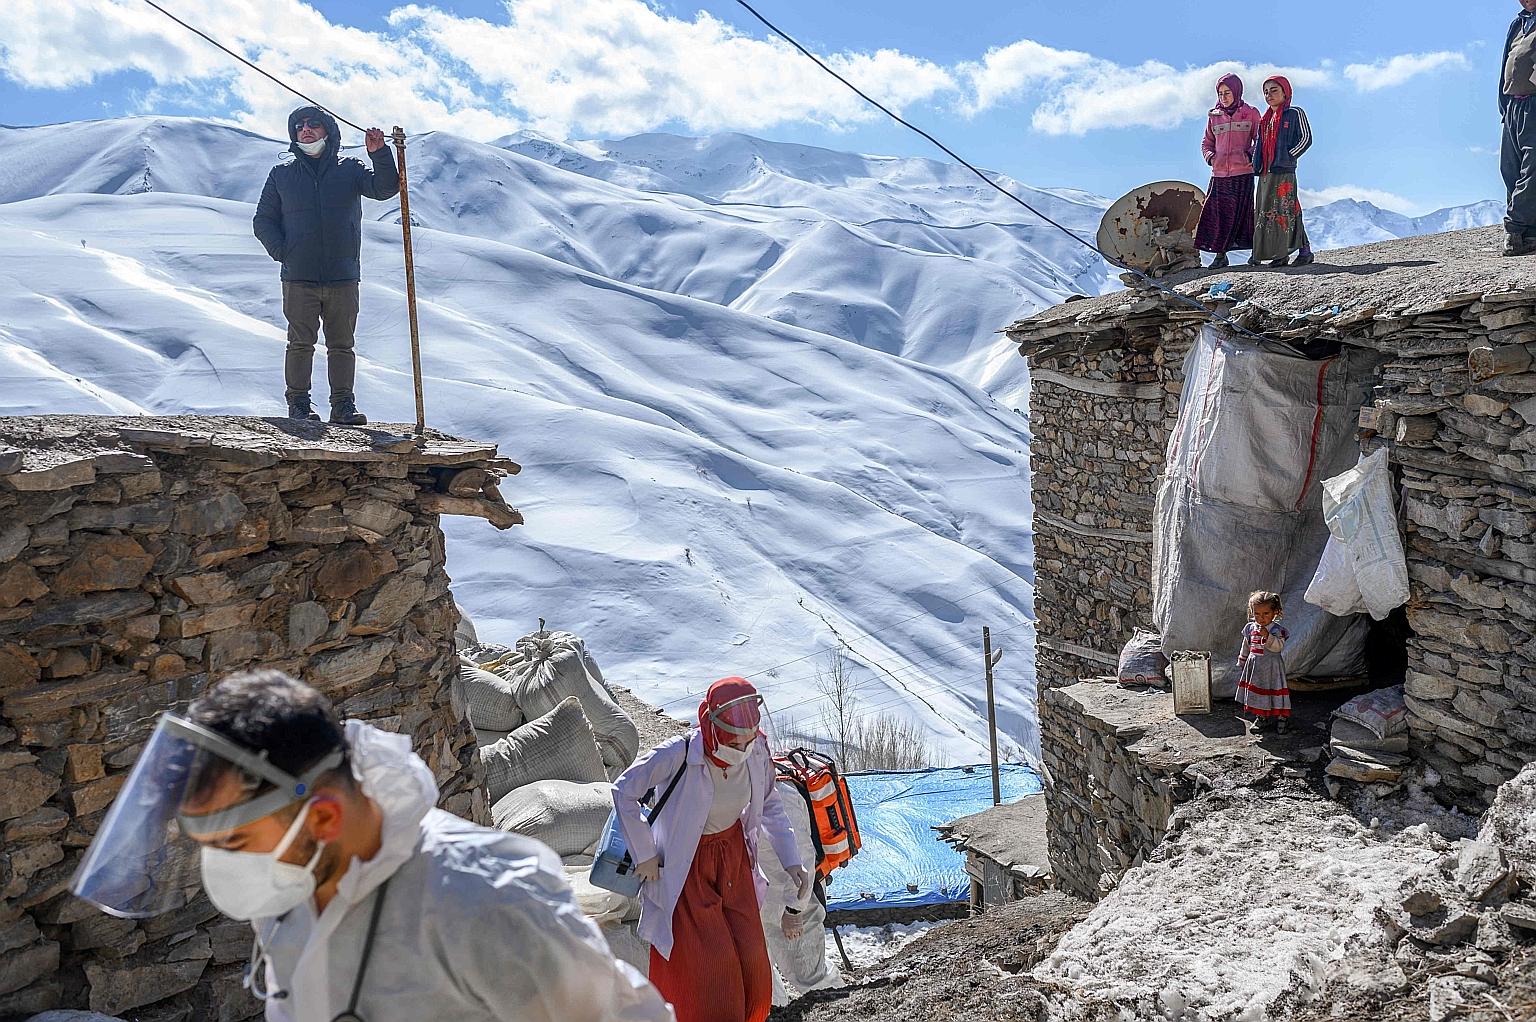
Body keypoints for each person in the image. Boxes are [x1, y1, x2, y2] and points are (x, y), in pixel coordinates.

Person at [71, 669, 673, 1022]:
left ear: (325, 815)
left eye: (230, 840)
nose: (220, 867)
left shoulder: (485, 903)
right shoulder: (292, 883)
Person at [612, 678, 810, 1022]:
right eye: (736, 741)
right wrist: (644, 854)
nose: (743, 747)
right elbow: (624, 790)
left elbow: (769, 803)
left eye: (749, 738)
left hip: (732, 861)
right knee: (712, 971)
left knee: (752, 962)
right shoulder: (679, 755)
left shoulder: (756, 750)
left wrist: (791, 859)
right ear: (713, 729)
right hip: (689, 869)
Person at [253, 106, 401, 426]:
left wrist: (380, 155)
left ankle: (342, 405)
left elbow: (385, 189)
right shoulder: (282, 175)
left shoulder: (350, 169)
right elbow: (263, 220)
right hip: (299, 276)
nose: (305, 130)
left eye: (313, 124)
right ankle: (298, 404)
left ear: (328, 131)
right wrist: (285, 252)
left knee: (342, 344)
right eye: (299, 126)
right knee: (300, 343)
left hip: (343, 275)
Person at [758, 777, 844, 1005]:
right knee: (761, 982)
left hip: (793, 905)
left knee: (811, 979)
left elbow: (804, 855)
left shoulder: (779, 794)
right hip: (759, 904)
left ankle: (845, 1012)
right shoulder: (740, 788)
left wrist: (794, 910)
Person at [1195, 73, 1261, 269]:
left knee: (1245, 213)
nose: (1224, 97)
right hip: (1220, 174)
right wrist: (1211, 157)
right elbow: (1206, 142)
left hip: (1243, 173)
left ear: (1237, 92)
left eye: (1228, 92)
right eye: (1220, 93)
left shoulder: (1251, 113)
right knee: (1218, 214)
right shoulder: (1214, 117)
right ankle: (1220, 255)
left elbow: (1259, 139)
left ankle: (1256, 253)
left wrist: (1249, 155)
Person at [1249, 76, 1314, 268]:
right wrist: (1257, 164)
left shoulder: (1294, 113)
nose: (1269, 95)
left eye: (1274, 90)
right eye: (1266, 91)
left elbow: (1306, 138)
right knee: (1269, 213)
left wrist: (1288, 156)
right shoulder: (1265, 119)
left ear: (1285, 91)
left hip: (1283, 171)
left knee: (1288, 209)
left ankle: (1305, 251)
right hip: (1265, 173)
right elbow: (1260, 145)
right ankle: (1280, 254)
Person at [1500, 0, 1536, 256]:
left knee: (1532, 168)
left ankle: (1514, 228)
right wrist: (1503, 105)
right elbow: (1507, 62)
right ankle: (1529, 234)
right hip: (1513, 104)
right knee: (1509, 167)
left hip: (1534, 104)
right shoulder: (1518, 23)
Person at [1236, 591, 1291, 734]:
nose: (1261, 618)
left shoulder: (1277, 630)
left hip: (1272, 668)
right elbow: (1246, 645)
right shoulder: (1250, 628)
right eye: (1257, 614)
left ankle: (1282, 718)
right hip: (1256, 668)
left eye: (1266, 613)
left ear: (1275, 612)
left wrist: (1268, 637)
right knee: (1259, 694)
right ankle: (1261, 717)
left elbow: (1278, 647)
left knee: (1275, 692)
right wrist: (1242, 659)